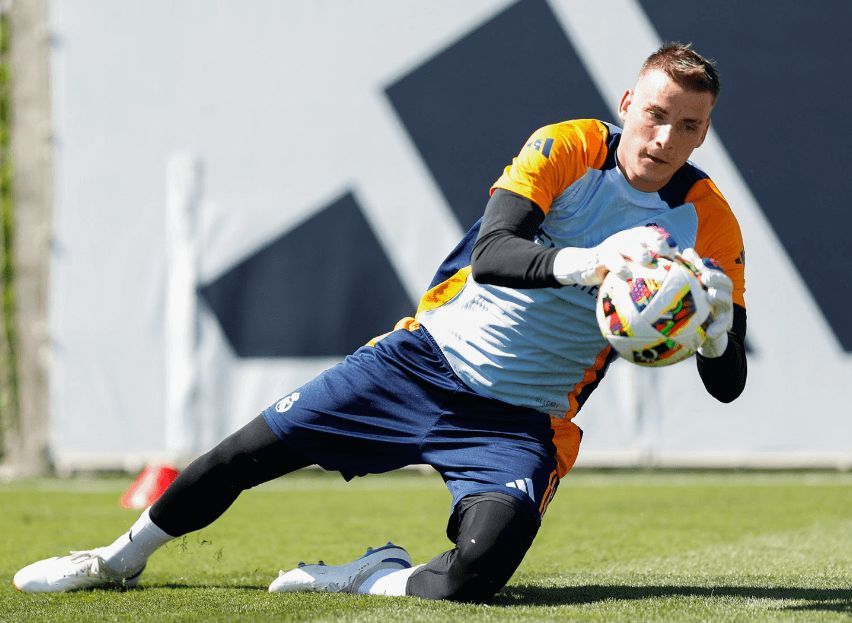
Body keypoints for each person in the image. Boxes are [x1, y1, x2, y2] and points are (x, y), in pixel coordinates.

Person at [13, 42, 746, 601]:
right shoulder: (566, 146)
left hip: (521, 420)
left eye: (689, 125)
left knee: (479, 572)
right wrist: (594, 261)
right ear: (626, 103)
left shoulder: (708, 224)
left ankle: (370, 576)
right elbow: (494, 252)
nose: (664, 138)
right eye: (655, 115)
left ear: (703, 133)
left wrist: (713, 333)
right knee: (241, 456)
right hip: (420, 362)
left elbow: (727, 383)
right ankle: (115, 559)